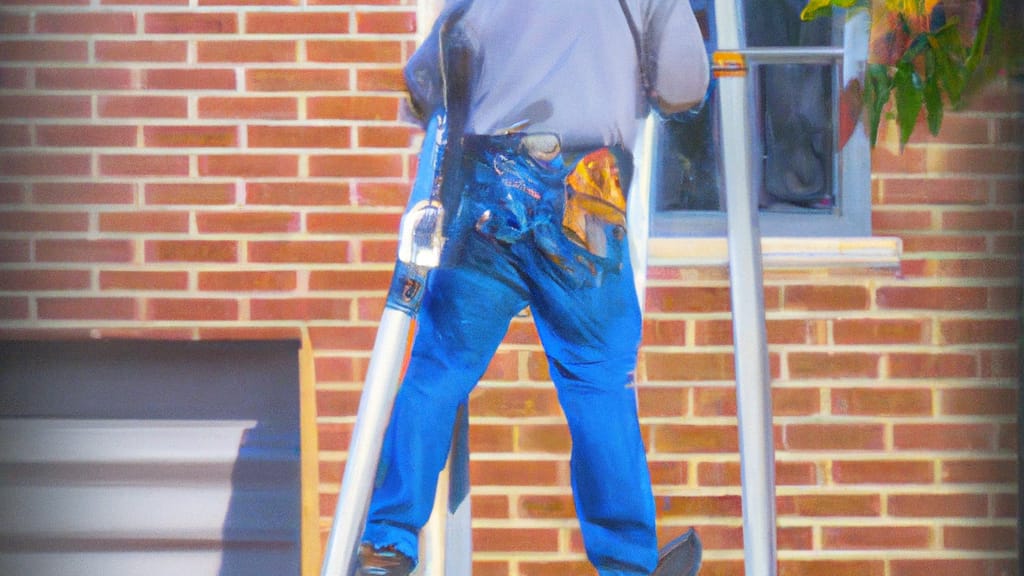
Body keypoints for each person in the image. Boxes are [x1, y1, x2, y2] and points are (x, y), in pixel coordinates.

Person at [358, 1, 708, 574]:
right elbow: (683, 87)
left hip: (486, 185)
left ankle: (388, 540)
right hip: (585, 191)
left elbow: (428, 81)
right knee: (597, 380)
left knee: (439, 367)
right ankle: (625, 562)